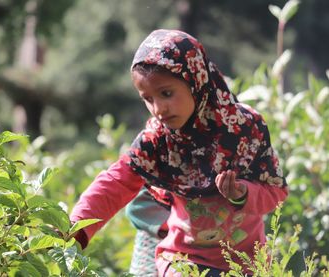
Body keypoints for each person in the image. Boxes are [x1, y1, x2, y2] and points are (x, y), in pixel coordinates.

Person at [70, 29, 288, 276]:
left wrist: (241, 193)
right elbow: (115, 183)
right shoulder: (156, 141)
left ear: (196, 80)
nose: (158, 109)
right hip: (182, 260)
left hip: (245, 262)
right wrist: (75, 228)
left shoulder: (245, 130)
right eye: (148, 99)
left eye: (166, 93)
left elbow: (275, 191)